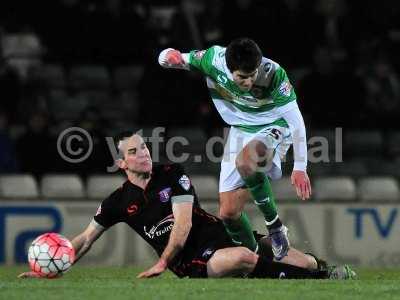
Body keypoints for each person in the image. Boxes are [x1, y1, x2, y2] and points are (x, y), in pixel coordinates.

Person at [19, 133, 355, 279]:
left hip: (216, 235)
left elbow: (183, 226)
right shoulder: (117, 202)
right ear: (121, 163)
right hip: (190, 260)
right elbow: (85, 239)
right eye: (134, 152)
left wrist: (159, 262)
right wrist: (55, 266)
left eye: (144, 147)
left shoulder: (171, 174)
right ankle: (316, 280)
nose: (144, 153)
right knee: (243, 257)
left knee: (291, 257)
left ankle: (321, 271)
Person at [158, 38, 311, 259]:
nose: (248, 82)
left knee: (246, 162)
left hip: (274, 125)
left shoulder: (274, 74)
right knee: (229, 213)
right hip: (240, 130)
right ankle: (256, 262)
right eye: (242, 77)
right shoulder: (212, 60)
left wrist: (300, 166)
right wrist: (169, 57)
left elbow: (296, 121)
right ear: (229, 69)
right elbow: (169, 57)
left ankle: (275, 226)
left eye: (252, 75)